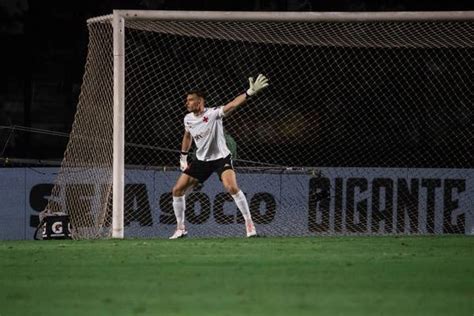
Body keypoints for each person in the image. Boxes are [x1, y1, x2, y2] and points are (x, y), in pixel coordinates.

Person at [169, 74, 269, 239]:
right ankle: (180, 228)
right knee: (177, 190)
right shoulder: (187, 119)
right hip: (201, 160)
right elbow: (187, 137)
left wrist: (249, 93)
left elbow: (232, 105)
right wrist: (183, 157)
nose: (186, 103)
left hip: (221, 158)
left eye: (190, 100)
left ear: (200, 101)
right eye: (186, 100)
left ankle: (250, 225)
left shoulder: (214, 113)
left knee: (231, 187)